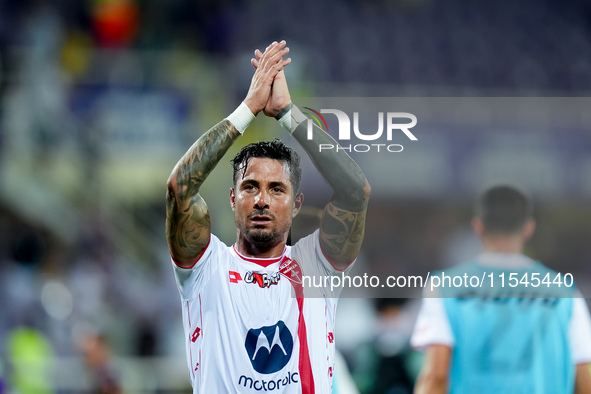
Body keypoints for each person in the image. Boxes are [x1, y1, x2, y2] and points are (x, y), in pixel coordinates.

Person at [165, 40, 370, 393]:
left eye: (277, 189)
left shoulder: (316, 267)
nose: (262, 200)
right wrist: (247, 109)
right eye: (250, 187)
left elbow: (356, 192)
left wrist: (289, 113)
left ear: (297, 204)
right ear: (232, 198)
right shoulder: (205, 266)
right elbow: (180, 188)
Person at [411, 185, 591, 394]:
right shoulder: (566, 292)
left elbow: (436, 376)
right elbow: (585, 378)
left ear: (478, 227)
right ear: (528, 228)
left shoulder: (444, 287)